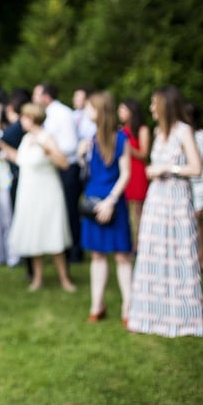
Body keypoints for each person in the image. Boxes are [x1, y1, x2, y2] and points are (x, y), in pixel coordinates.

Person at [128, 86, 203, 337]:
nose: (150, 108)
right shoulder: (159, 133)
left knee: (179, 254)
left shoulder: (183, 131)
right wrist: (152, 170)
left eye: (153, 103)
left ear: (164, 105)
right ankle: (152, 314)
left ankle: (183, 318)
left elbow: (196, 168)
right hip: (157, 200)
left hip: (177, 199)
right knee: (152, 254)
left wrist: (168, 169)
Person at [0, 103, 76, 292]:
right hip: (28, 191)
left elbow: (64, 163)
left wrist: (46, 149)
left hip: (47, 191)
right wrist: (2, 146)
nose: (20, 120)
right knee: (34, 233)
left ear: (32, 118)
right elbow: (22, 160)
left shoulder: (46, 137)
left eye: (23, 117)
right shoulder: (26, 138)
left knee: (52, 232)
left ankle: (64, 279)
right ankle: (38, 279)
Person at [78, 92, 132, 325]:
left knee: (122, 256)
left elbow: (126, 173)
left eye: (90, 108)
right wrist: (82, 156)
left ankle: (128, 308)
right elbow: (89, 171)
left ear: (100, 111)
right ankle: (96, 305)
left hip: (113, 201)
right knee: (97, 255)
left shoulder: (121, 139)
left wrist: (110, 201)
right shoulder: (91, 139)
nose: (86, 112)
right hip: (92, 200)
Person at [33, 82, 83, 263]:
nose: (34, 99)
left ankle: (75, 252)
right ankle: (62, 249)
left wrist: (49, 149)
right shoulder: (49, 115)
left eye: (36, 95)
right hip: (54, 168)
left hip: (68, 168)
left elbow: (71, 145)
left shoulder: (62, 113)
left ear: (46, 97)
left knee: (70, 210)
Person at [0, 90, 29, 268]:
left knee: (7, 217)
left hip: (8, 178)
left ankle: (12, 254)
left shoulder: (14, 128)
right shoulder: (7, 128)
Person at [117, 98, 150, 248]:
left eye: (123, 109)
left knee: (138, 211)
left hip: (137, 171)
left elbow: (144, 154)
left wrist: (128, 147)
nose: (120, 112)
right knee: (125, 209)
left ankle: (140, 243)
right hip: (124, 170)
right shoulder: (120, 130)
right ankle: (128, 242)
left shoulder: (142, 129)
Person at [185, 102, 203, 271]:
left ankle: (201, 261)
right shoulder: (180, 136)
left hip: (201, 184)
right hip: (186, 185)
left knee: (195, 221)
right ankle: (189, 259)